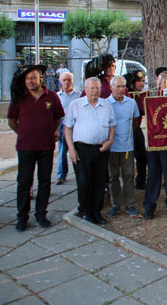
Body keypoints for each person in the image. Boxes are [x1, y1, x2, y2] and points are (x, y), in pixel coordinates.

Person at [8, 65, 65, 231]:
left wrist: (50, 130)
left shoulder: (52, 97)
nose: (30, 81)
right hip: (25, 147)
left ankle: (41, 214)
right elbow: (12, 121)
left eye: (33, 78)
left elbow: (58, 117)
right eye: (27, 79)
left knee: (45, 181)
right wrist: (24, 133)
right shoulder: (18, 98)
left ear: (41, 78)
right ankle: (22, 217)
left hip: (46, 147)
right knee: (24, 182)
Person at [64, 77, 116, 225]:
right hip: (82, 148)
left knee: (100, 181)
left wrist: (110, 140)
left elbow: (112, 125)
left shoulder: (106, 105)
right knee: (84, 181)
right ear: (85, 89)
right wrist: (71, 149)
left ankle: (96, 212)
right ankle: (86, 211)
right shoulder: (76, 105)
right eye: (92, 88)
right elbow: (67, 127)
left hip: (101, 149)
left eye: (97, 88)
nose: (95, 91)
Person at [143, 68, 167, 219]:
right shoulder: (154, 96)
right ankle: (149, 206)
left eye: (163, 79)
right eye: (159, 80)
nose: (160, 82)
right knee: (153, 174)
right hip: (155, 142)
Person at [106, 76, 141, 218]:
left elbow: (136, 121)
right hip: (111, 147)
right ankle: (115, 204)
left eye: (123, 86)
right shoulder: (105, 104)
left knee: (129, 176)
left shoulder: (131, 103)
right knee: (113, 176)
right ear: (111, 87)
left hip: (127, 146)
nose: (121, 89)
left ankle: (130, 204)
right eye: (118, 86)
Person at [56, 71, 81, 185]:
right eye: (64, 80)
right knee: (62, 151)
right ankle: (61, 175)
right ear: (60, 82)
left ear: (72, 81)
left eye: (68, 80)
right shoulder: (57, 96)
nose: (66, 82)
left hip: (77, 125)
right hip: (63, 125)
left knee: (78, 150)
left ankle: (80, 174)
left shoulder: (78, 95)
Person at [125, 70, 148, 189]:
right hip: (127, 131)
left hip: (137, 129)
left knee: (142, 156)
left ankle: (141, 181)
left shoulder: (142, 95)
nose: (141, 83)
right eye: (138, 81)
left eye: (143, 81)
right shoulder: (128, 95)